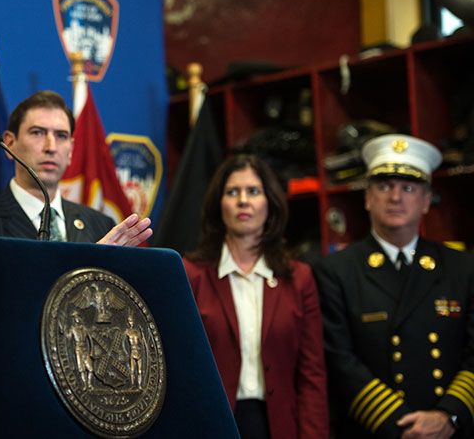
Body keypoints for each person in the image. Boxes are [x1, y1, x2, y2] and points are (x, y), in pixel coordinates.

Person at [314, 134, 474, 438]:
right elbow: (339, 360)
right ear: (367, 198)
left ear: (426, 201)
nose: (396, 197)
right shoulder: (335, 271)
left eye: (409, 188)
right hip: (377, 429)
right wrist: (401, 425)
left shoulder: (462, 267)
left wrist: (449, 415)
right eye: (384, 186)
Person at [182, 153, 328, 439]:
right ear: (218, 205)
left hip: (279, 426)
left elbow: (312, 375)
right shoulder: (191, 275)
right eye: (232, 192)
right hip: (211, 424)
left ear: (270, 204)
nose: (243, 201)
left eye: (253, 191)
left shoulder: (298, 279)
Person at [0, 90, 151, 246]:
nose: (51, 147)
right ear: (10, 143)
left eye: (61, 135)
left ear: (71, 150)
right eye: (37, 132)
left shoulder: (102, 225)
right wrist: (92, 262)